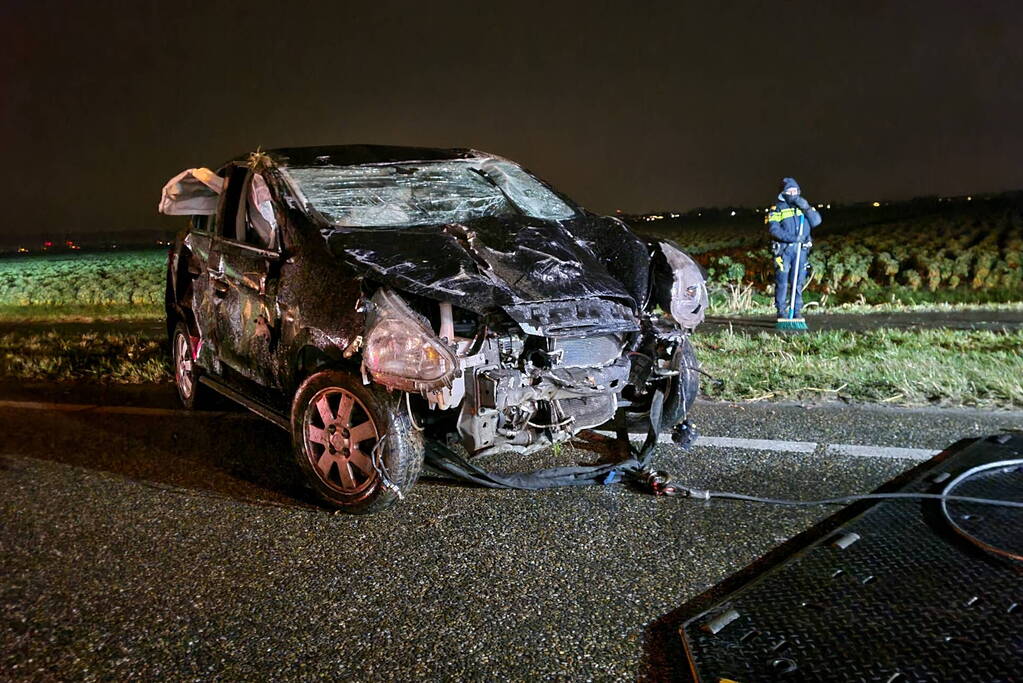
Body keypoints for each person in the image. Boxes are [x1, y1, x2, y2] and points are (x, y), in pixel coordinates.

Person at [766, 177, 822, 330]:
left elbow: (816, 222)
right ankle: (782, 312)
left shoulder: (802, 207)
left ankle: (796, 311)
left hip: (801, 251)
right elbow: (773, 229)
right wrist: (793, 238)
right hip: (784, 251)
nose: (792, 193)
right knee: (783, 282)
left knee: (797, 282)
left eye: (795, 191)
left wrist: (807, 208)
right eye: (789, 191)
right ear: (783, 193)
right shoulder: (777, 208)